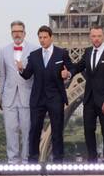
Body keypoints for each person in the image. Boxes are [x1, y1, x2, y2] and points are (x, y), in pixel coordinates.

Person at [19, 26, 73, 162]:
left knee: (57, 130)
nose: (42, 40)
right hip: (38, 98)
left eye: (45, 37)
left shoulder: (62, 53)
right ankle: (33, 159)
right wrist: (21, 69)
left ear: (51, 37)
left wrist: (68, 73)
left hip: (55, 97)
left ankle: (58, 160)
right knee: (34, 130)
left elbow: (71, 67)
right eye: (40, 37)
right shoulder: (34, 55)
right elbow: (27, 75)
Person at [68, 24, 104, 160]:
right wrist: (68, 73)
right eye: (93, 36)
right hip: (89, 99)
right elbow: (78, 67)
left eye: (98, 36)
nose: (96, 39)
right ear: (90, 37)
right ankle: (92, 160)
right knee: (88, 131)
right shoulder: (87, 52)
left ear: (103, 36)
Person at [0, 21, 34, 161]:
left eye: (19, 31)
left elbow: (36, 75)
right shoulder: (4, 50)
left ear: (24, 33)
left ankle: (26, 160)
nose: (17, 33)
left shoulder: (34, 49)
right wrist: (0, 96)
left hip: (27, 95)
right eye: (14, 31)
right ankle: (12, 160)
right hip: (9, 96)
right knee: (10, 130)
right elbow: (2, 74)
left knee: (27, 131)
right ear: (11, 33)